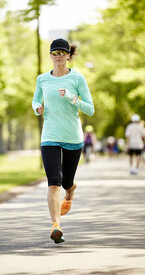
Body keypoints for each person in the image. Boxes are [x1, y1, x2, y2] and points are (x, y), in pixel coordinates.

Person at [32, 38, 94, 243]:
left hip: (72, 137)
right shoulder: (42, 79)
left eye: (62, 52)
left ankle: (71, 191)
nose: (58, 56)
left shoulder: (77, 79)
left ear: (68, 55)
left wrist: (72, 98)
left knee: (66, 181)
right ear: (50, 55)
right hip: (49, 135)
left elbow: (90, 109)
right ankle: (55, 225)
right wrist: (37, 108)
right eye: (54, 52)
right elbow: (35, 99)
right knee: (53, 182)